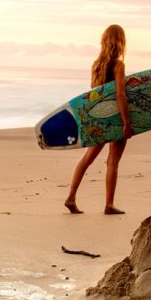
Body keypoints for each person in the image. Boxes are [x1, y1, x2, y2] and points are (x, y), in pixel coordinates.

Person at [64, 24, 130, 215]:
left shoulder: (96, 65)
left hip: (98, 117)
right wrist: (126, 122)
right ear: (121, 41)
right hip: (115, 118)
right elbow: (120, 95)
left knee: (87, 158)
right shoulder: (118, 65)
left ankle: (70, 197)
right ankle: (109, 204)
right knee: (113, 161)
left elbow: (93, 94)